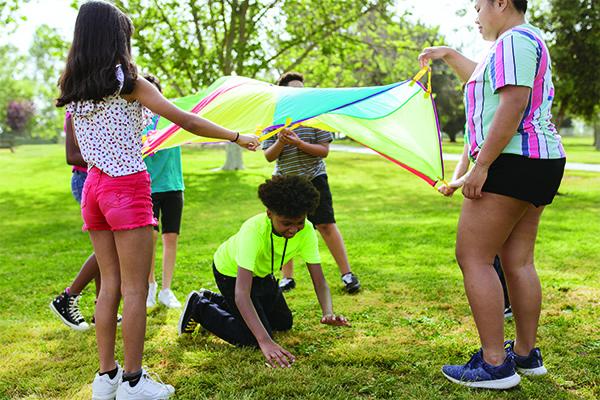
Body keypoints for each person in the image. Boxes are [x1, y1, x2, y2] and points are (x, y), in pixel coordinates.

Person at [56, 2, 258, 398]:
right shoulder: (126, 79)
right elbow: (187, 120)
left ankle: (105, 378)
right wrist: (236, 136)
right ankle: (133, 382)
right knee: (134, 290)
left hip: (93, 188)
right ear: (116, 37)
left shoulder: (73, 84)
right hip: (125, 186)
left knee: (109, 284)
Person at [420, 0, 565, 389]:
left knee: (473, 257)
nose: (476, 15)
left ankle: (494, 365)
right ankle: (524, 354)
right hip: (538, 160)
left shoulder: (513, 41)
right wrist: (449, 54)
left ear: (501, 2)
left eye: (479, 6)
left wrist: (479, 166)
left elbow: (513, 103)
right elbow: (482, 81)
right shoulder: (521, 42)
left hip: (512, 160)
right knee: (517, 261)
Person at [178, 176, 348, 368]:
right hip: (231, 273)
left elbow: (319, 280)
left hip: (262, 274)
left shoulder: (306, 231)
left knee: (283, 323)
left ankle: (214, 299)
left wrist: (328, 312)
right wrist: (265, 341)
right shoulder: (253, 231)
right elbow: (242, 294)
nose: (293, 229)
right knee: (253, 337)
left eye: (299, 222)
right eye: (286, 223)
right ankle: (200, 306)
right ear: (269, 213)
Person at [262, 72, 360, 294]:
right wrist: (280, 141)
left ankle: (347, 274)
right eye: (294, 90)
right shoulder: (273, 120)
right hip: (284, 181)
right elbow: (269, 156)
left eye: (302, 89)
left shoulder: (317, 116)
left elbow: (323, 151)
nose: (300, 94)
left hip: (314, 178)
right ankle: (287, 278)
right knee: (284, 227)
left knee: (325, 224)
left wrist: (298, 143)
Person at [439, 145, 512, 319]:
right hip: (537, 165)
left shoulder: (483, 119)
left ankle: (501, 306)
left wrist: (461, 181)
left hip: (498, 176)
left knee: (478, 258)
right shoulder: (471, 124)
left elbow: (485, 159)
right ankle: (524, 346)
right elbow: (465, 159)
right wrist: (453, 182)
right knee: (515, 259)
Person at [49, 113, 101, 331]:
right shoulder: (76, 110)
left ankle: (102, 308)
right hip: (86, 179)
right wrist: (113, 157)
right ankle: (67, 298)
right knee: (108, 249)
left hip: (101, 177)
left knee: (107, 248)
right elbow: (73, 155)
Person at [142, 75, 184, 309]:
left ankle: (166, 290)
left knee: (171, 238)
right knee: (150, 238)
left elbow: (193, 126)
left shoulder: (173, 119)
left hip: (173, 186)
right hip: (148, 188)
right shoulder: (138, 121)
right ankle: (151, 286)